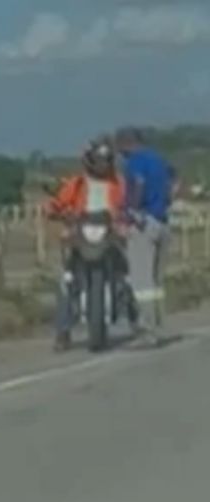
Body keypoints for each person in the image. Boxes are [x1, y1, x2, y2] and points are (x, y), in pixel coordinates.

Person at [46, 138, 127, 352]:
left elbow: (127, 204)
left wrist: (126, 220)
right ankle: (63, 332)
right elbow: (57, 203)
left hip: (108, 235)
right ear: (89, 161)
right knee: (67, 281)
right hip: (80, 234)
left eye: (106, 160)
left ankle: (128, 313)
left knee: (123, 274)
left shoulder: (118, 183)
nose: (102, 165)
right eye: (98, 160)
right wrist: (56, 211)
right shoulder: (77, 183)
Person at [116, 127, 177, 348]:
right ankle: (159, 327)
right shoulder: (159, 160)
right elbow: (172, 184)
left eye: (120, 147)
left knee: (142, 283)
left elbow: (138, 184)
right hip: (163, 222)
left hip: (144, 223)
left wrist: (130, 211)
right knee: (156, 282)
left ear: (126, 144)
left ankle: (147, 331)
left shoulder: (135, 162)